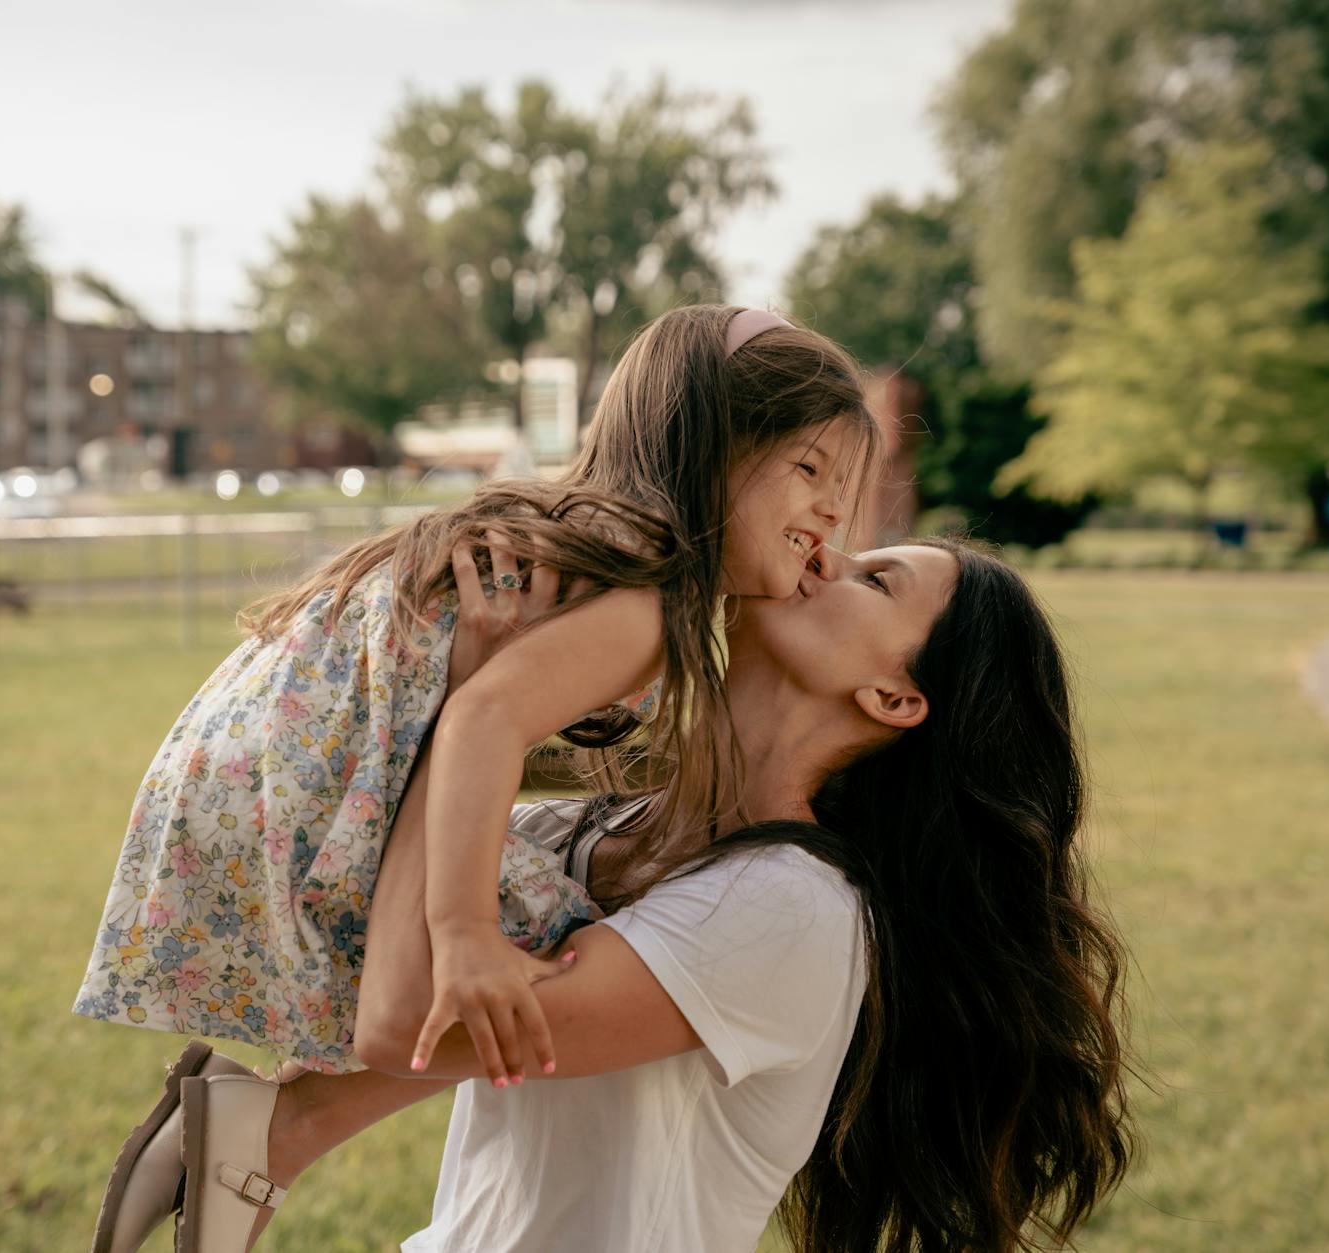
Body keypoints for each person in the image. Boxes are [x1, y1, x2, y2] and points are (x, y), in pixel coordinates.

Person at [75, 305, 878, 1253]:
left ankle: (262, 1130)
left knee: (550, 910)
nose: (834, 513)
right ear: (708, 449)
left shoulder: (601, 551)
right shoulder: (644, 605)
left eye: (843, 485)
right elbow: (484, 721)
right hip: (304, 775)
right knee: (564, 945)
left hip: (256, 751)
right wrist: (462, 932)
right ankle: (264, 1132)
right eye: (808, 470)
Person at [136, 539, 1137, 1253]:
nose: (825, 554)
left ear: (894, 695)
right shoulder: (598, 836)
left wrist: (473, 709)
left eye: (876, 580)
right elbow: (364, 920)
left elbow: (409, 1024)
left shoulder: (792, 909)